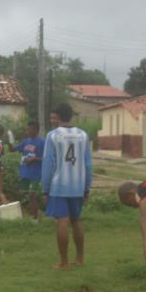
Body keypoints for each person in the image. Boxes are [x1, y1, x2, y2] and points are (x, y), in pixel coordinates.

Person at [42, 103, 92, 269]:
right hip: (78, 185)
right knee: (76, 221)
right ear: (71, 116)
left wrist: (45, 189)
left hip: (59, 185)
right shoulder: (83, 135)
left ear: (57, 115)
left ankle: (63, 262)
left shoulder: (52, 135)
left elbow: (48, 164)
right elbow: (88, 164)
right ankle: (80, 258)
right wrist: (87, 187)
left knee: (62, 222)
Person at [9, 120, 45, 221]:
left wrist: (34, 159)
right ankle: (33, 216)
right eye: (27, 129)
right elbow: (13, 150)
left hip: (36, 173)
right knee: (28, 196)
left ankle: (35, 218)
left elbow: (46, 158)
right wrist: (10, 141)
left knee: (32, 194)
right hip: (25, 172)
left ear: (36, 130)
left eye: (30, 129)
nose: (27, 131)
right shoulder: (26, 141)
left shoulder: (42, 142)